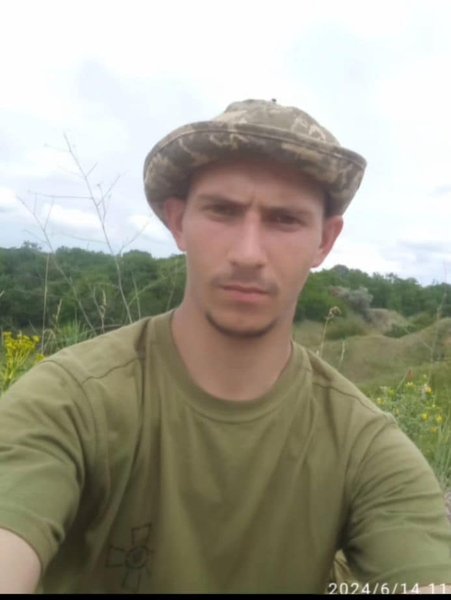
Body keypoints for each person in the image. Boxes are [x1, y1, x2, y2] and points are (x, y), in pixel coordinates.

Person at [0, 99, 450, 594]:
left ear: (325, 241)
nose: (248, 254)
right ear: (178, 222)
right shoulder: (70, 403)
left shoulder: (363, 448)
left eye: (284, 219)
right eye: (222, 211)